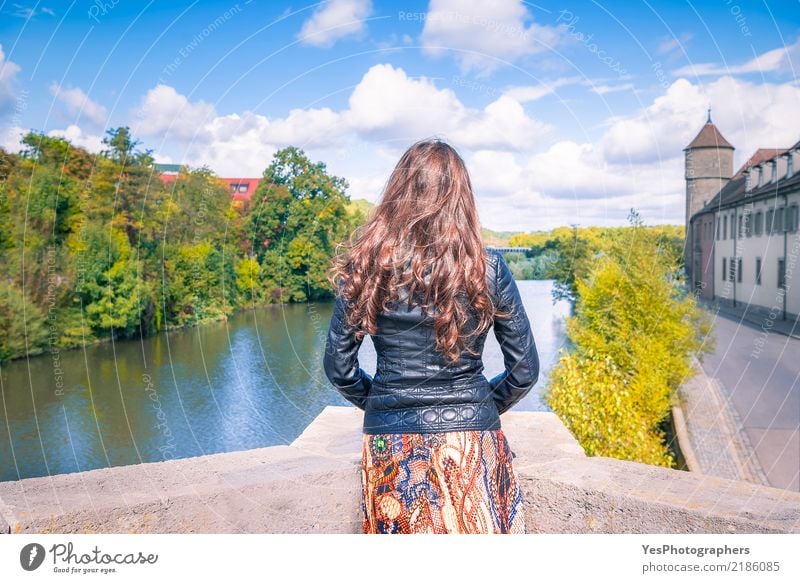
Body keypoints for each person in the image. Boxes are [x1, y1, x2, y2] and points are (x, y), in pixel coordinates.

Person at [323, 138, 540, 534]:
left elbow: (339, 368)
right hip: (474, 438)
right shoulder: (488, 269)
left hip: (391, 443)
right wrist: (477, 404)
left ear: (397, 193)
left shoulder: (367, 267)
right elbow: (523, 371)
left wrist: (385, 401)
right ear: (462, 197)